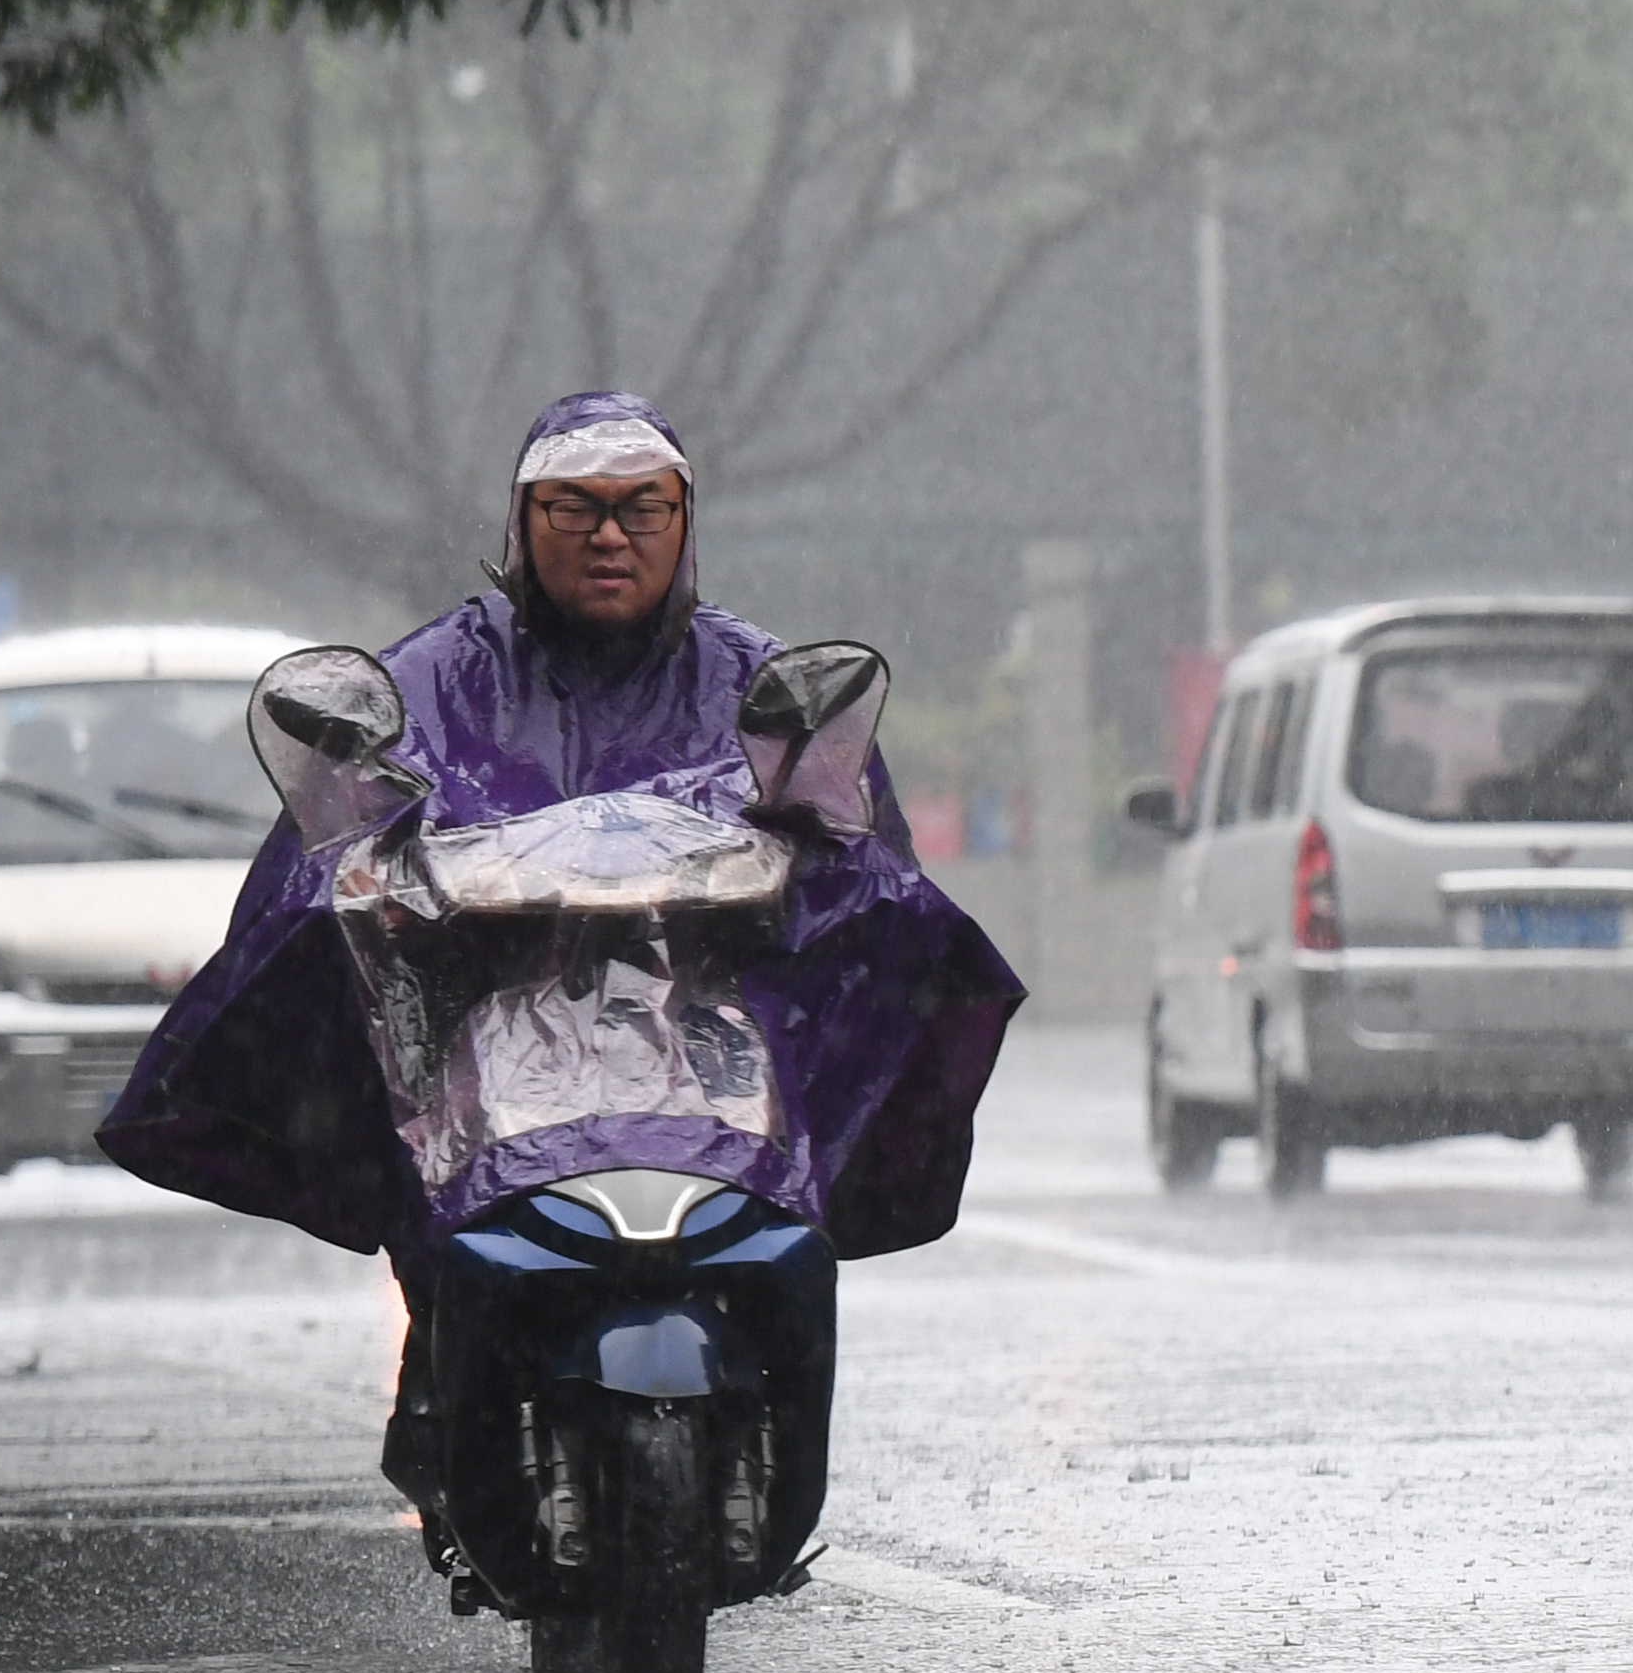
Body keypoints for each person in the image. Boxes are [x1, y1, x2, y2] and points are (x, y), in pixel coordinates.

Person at [100, 391, 1024, 1503]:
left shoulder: (757, 683)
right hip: (494, 1065)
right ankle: (446, 1390)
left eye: (643, 507)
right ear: (521, 524)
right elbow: (325, 849)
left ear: (685, 522)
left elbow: (858, 853)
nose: (609, 534)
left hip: (713, 1065)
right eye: (574, 508)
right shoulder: (438, 677)